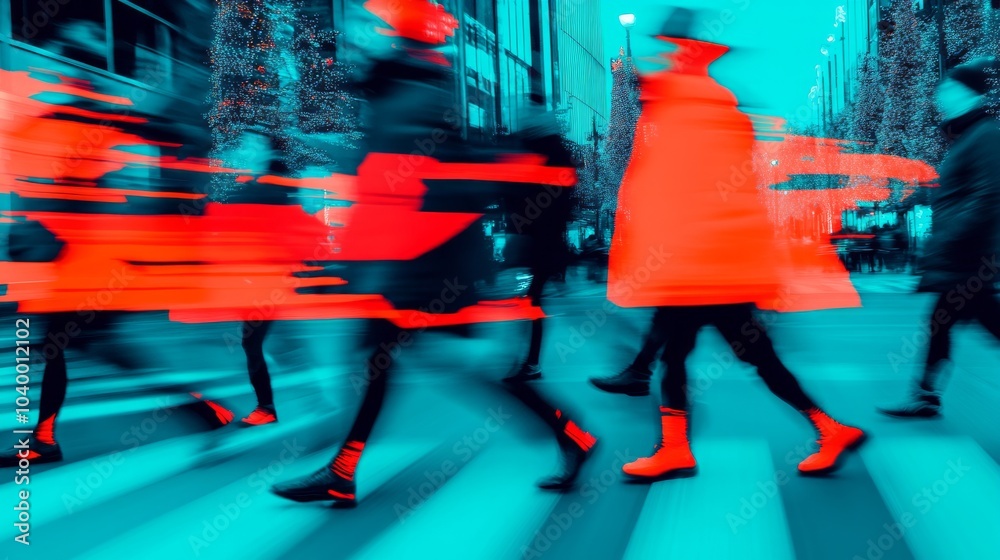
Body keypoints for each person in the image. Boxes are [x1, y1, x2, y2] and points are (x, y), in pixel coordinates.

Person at [270, 0, 595, 506]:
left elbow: (415, 180)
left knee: (450, 367)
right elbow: (386, 175)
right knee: (386, 361)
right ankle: (343, 468)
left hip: (422, 267)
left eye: (375, 27)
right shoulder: (401, 90)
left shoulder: (417, 95)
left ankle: (572, 436)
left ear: (401, 36)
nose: (362, 34)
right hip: (411, 264)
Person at [607, 8, 864, 480]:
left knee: (730, 358)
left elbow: (676, 195)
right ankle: (822, 428)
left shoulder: (684, 110)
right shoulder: (716, 107)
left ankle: (824, 429)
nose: (662, 57)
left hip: (701, 267)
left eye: (670, 48)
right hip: (716, 265)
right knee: (724, 357)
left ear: (689, 54)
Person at [880, 58, 1000, 418]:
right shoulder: (970, 136)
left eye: (946, 89)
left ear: (967, 93)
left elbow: (988, 196)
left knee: (971, 323)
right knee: (942, 323)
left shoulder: (986, 136)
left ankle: (924, 395)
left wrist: (949, 240)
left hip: (970, 259)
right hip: (963, 258)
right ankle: (925, 395)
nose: (939, 97)